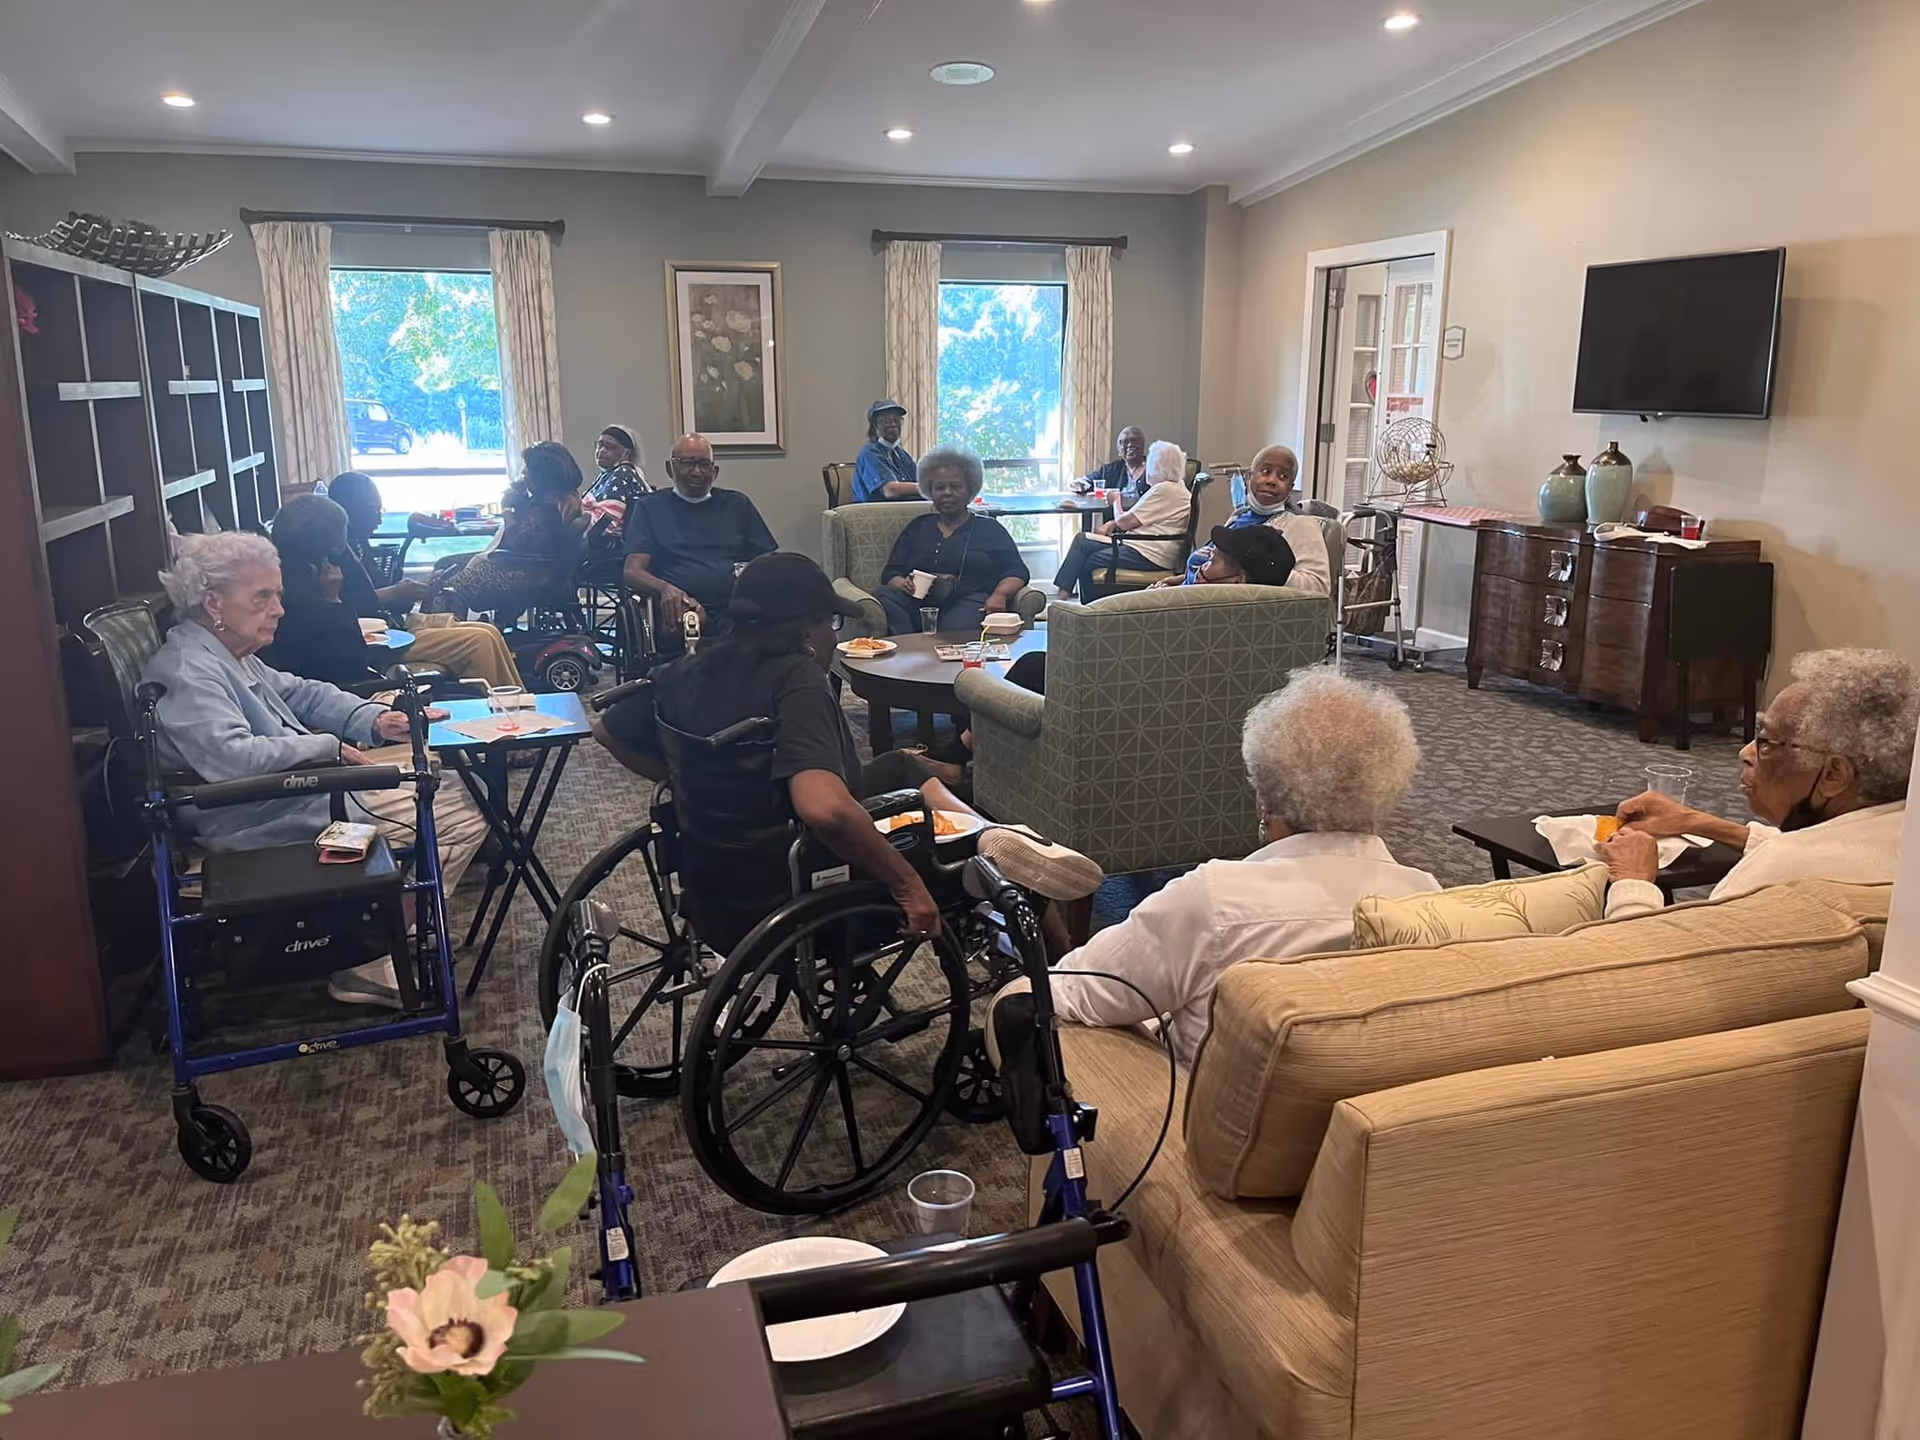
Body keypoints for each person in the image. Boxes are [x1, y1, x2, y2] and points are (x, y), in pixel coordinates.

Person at [598, 552, 1100, 954]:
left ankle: (997, 836)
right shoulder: (797, 680)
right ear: (806, 627)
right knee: (1007, 877)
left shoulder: (686, 668)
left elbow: (607, 731)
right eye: (829, 625)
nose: (831, 638)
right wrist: (906, 886)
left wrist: (693, 780)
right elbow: (824, 807)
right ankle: (1062, 966)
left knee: (902, 763)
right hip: (800, 876)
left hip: (715, 878)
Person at [991, 670, 1437, 1069]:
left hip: (1199, 1117)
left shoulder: (1217, 901)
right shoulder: (1431, 900)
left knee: (1021, 1005)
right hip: (1355, 1121)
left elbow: (1073, 990)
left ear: (1264, 797)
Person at [142, 531, 487, 1009]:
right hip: (258, 818)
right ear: (212, 602)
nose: (279, 609)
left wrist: (375, 720)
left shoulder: (220, 653)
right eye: (262, 596)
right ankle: (366, 959)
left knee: (450, 787)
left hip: (289, 796)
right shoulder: (188, 670)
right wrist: (329, 747)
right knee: (462, 809)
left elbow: (303, 692)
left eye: (278, 594)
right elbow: (230, 760)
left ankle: (379, 933)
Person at [1601, 648, 1918, 919]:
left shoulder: (1775, 872)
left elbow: (1651, 971)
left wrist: (1634, 880)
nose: (1745, 752)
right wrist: (1699, 822)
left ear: (1834, 775)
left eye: (1766, 741)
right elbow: (1832, 846)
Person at [322, 471, 524, 689]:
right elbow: (343, 606)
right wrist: (394, 593)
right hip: (377, 641)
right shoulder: (333, 554)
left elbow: (381, 597)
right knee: (480, 641)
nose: (380, 518)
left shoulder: (358, 544)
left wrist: (417, 590)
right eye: (373, 510)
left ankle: (521, 705)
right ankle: (505, 711)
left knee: (489, 631)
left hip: (394, 627)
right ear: (348, 510)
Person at [622, 432, 776, 647]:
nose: (696, 472)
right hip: (680, 608)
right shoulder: (650, 507)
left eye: (704, 464)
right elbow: (632, 572)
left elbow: (769, 561)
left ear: (715, 471)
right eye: (687, 464)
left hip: (737, 606)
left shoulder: (737, 505)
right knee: (688, 623)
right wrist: (666, 589)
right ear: (670, 468)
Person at [875, 445, 1029, 635]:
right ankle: (907, 648)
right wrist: (903, 583)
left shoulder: (989, 529)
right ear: (930, 491)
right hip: (916, 602)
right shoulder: (918, 527)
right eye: (939, 487)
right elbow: (891, 573)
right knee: (883, 595)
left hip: (968, 601)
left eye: (955, 486)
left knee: (953, 630)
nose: (947, 492)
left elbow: (1017, 571)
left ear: (970, 489)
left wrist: (1000, 595)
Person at [429, 442, 588, 624]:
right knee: (446, 565)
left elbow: (517, 542)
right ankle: (451, 629)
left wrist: (507, 511)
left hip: (531, 574)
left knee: (450, 587)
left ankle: (442, 639)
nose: (523, 473)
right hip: (538, 567)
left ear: (541, 475)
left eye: (527, 469)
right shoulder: (567, 498)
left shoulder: (549, 507)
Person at [1173, 444, 1330, 598]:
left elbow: (1319, 588)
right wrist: (1179, 580)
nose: (1272, 481)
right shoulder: (1239, 516)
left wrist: (1265, 570)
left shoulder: (1301, 526)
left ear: (1290, 487)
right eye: (1266, 472)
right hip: (1186, 594)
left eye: (1283, 476)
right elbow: (1216, 569)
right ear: (1250, 477)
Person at [261, 494, 383, 690]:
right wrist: (332, 601)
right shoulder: (306, 603)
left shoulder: (269, 582)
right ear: (329, 555)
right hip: (330, 700)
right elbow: (354, 668)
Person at [1052, 440, 1194, 602]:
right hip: (1144, 547)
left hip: (1147, 553)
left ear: (1157, 466)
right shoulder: (1176, 488)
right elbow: (1138, 518)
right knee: (1082, 542)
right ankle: (1068, 602)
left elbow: (1124, 523)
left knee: (1086, 552)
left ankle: (1071, 604)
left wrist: (1116, 501)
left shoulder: (1164, 489)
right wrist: (1113, 523)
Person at [854, 399, 920, 502]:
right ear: (875, 426)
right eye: (886, 421)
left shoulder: (901, 455)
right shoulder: (870, 453)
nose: (893, 424)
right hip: (875, 514)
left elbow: (919, 480)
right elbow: (890, 490)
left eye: (896, 420)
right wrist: (929, 488)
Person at [1071, 426, 1148, 501]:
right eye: (1124, 442)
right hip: (1115, 513)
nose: (1130, 445)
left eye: (1135, 441)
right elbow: (1084, 481)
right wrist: (1080, 486)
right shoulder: (1111, 470)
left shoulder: (1153, 468)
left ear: (1142, 445)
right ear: (1119, 450)